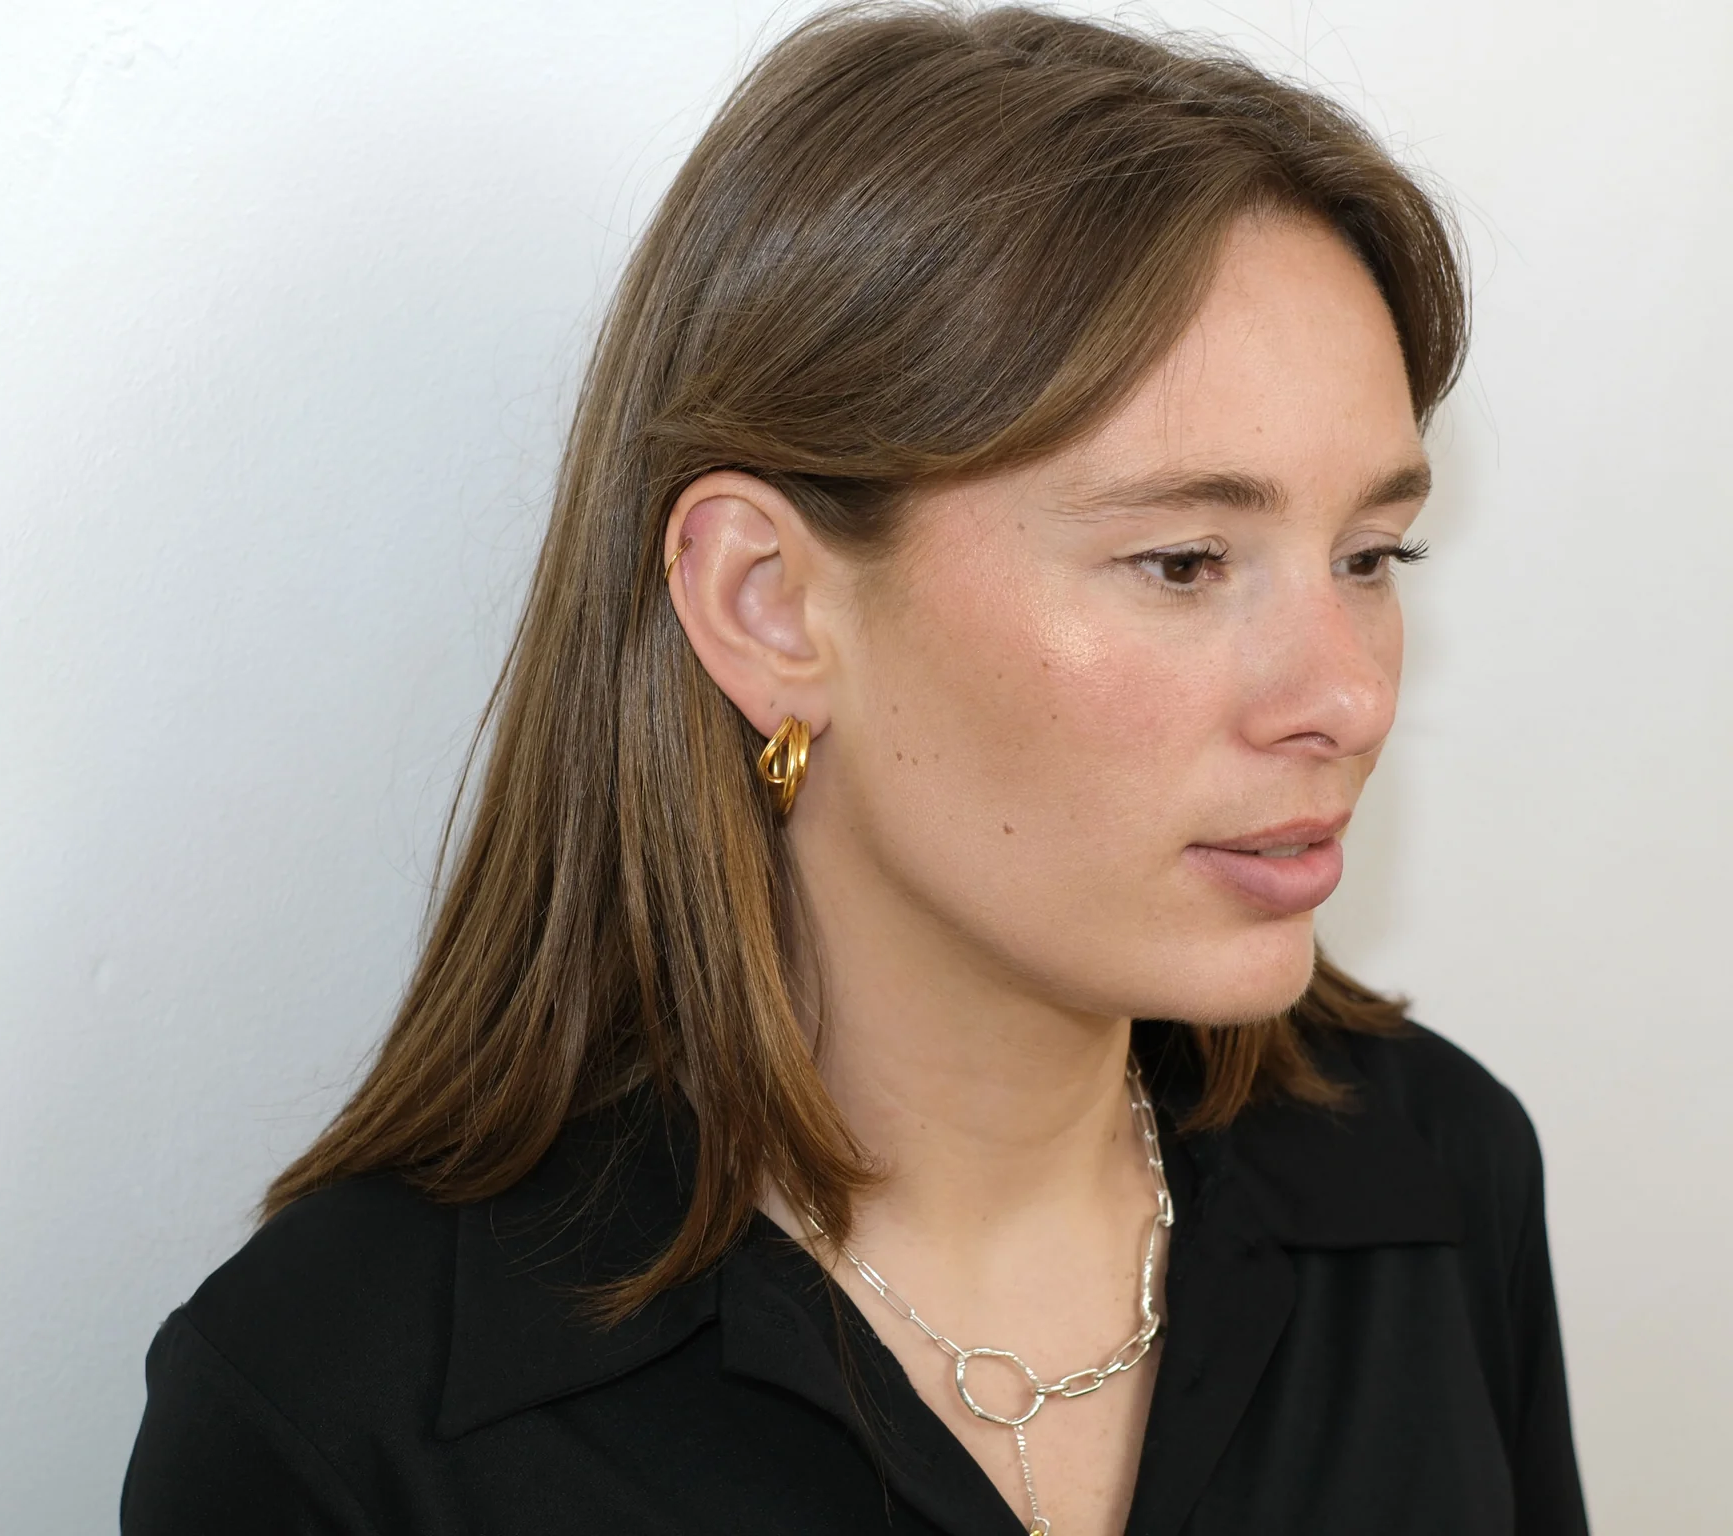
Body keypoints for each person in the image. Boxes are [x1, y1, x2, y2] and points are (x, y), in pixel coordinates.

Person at [119, 5, 1587, 1533]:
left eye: (1371, 554)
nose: (1348, 695)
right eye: (1183, 561)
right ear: (767, 603)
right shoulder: (345, 1411)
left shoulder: (1432, 1181)